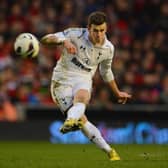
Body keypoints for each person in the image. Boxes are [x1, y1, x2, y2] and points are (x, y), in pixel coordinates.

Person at [41, 11, 131, 161]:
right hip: (61, 80)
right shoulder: (74, 34)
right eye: (95, 30)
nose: (99, 34)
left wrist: (117, 92)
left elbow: (106, 72)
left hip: (83, 78)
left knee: (82, 96)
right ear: (88, 28)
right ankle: (108, 150)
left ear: (106, 28)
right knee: (83, 122)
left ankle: (71, 121)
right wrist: (63, 41)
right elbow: (45, 39)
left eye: (102, 30)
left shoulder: (108, 48)